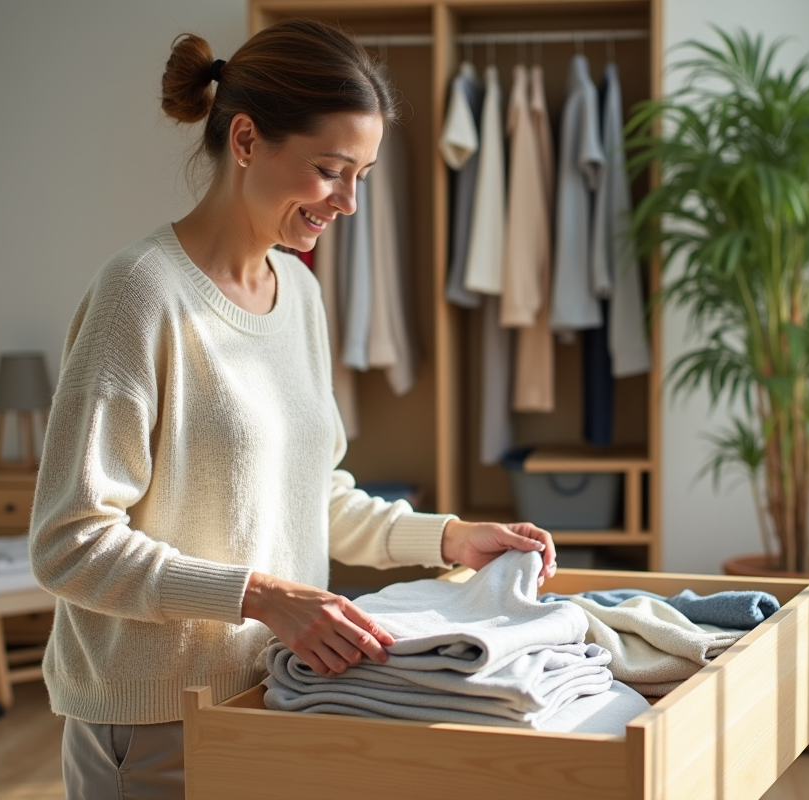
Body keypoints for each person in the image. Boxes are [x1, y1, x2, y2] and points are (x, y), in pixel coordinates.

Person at [28, 18, 557, 799]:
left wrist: (449, 536)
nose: (347, 202)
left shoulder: (300, 294)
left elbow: (315, 497)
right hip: (152, 727)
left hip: (278, 696)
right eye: (330, 170)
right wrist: (259, 595)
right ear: (245, 140)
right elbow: (69, 542)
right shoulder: (140, 295)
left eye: (362, 176)